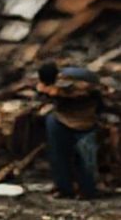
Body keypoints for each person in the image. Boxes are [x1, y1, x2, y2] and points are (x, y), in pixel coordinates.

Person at [37, 62, 106, 199]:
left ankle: (87, 190)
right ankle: (64, 188)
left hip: (85, 121)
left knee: (86, 159)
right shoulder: (51, 84)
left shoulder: (77, 81)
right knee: (58, 156)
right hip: (61, 119)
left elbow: (95, 93)